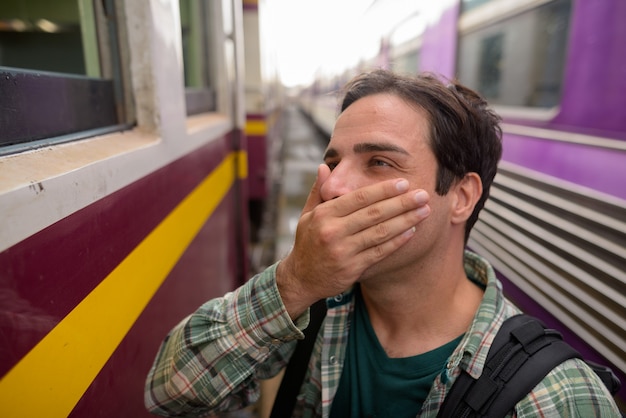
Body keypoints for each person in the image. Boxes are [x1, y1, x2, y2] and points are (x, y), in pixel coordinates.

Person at [145, 70, 620, 417]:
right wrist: (294, 280)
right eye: (333, 162)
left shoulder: (558, 396)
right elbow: (169, 392)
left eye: (380, 163)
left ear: (461, 197)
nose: (333, 188)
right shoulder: (313, 306)